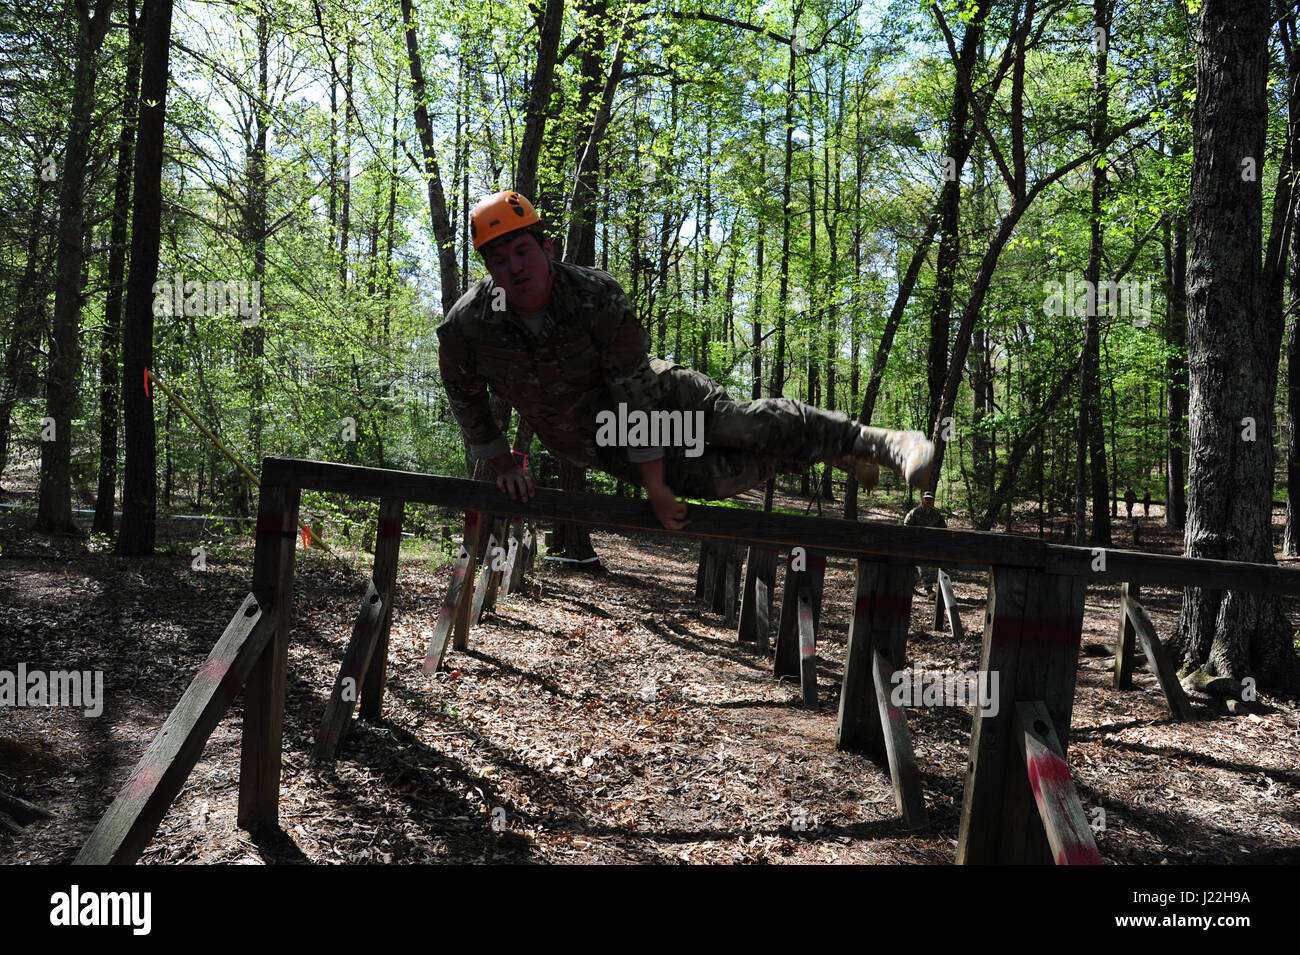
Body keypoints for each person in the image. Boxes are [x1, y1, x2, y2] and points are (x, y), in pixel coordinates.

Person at [437, 191, 935, 531]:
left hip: (650, 395)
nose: (514, 268)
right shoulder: (469, 326)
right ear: (487, 268)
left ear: (547, 248)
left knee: (737, 423)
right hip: (589, 437)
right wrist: (503, 463)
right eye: (498, 261)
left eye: (523, 252)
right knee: (709, 481)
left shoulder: (594, 297)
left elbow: (633, 392)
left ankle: (879, 443)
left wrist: (653, 484)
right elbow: (465, 398)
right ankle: (818, 449)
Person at [903, 491, 947, 592]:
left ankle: (913, 586)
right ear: (923, 500)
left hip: (931, 545)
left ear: (933, 501)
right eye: (926, 499)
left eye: (930, 499)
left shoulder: (937, 514)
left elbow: (943, 529)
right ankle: (928, 589)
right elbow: (906, 527)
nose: (928, 501)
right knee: (922, 565)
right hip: (915, 544)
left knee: (925, 565)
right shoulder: (915, 512)